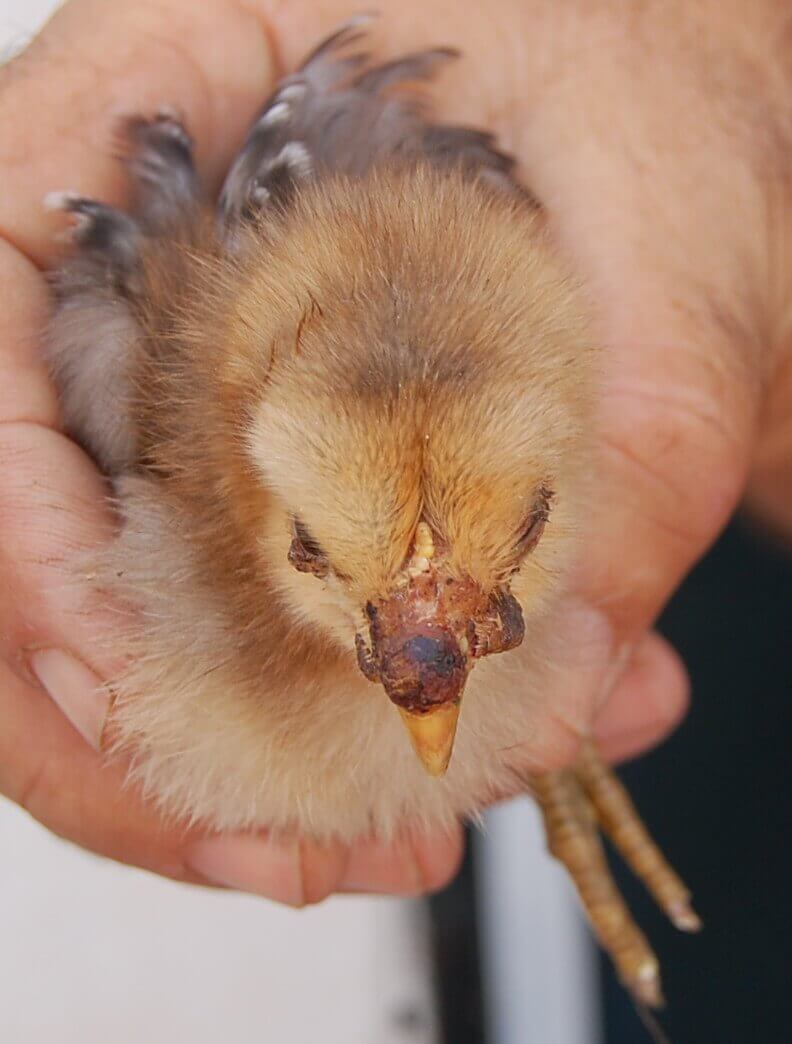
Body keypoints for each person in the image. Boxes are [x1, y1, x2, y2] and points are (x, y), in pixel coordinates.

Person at [1, 0, 789, 904]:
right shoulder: (140, 421)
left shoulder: (575, 348)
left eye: (526, 527)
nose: (429, 686)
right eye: (317, 546)